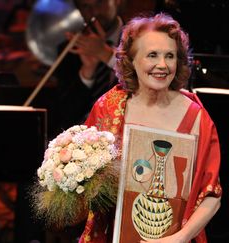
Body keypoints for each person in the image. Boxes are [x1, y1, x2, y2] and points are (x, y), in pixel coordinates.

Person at [81, 13, 222, 242]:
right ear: (131, 61)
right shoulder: (109, 107)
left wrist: (180, 238)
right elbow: (85, 178)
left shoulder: (197, 117)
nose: (163, 65)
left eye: (170, 56)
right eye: (152, 55)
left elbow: (212, 194)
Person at [49, 0, 124, 139]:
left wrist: (106, 54)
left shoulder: (137, 39)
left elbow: (142, 80)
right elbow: (64, 114)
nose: (94, 12)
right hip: (81, 141)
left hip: (122, 135)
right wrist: (87, 72)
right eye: (85, 6)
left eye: (99, 3)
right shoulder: (70, 48)